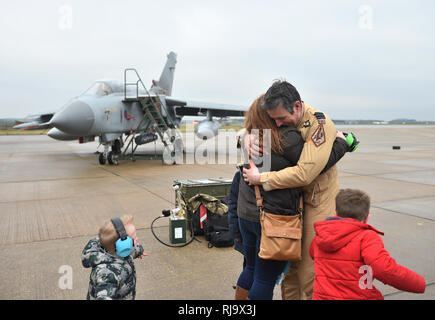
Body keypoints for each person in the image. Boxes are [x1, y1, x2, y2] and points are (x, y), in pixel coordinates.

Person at [236, 95, 350, 300]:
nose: (279, 122)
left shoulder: (254, 138)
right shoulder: (287, 139)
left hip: (247, 214)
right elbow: (312, 168)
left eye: (280, 117)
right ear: (267, 116)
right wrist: (342, 143)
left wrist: (244, 136)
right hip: (271, 219)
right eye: (275, 117)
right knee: (265, 279)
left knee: (252, 269)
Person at [309, 189, 426, 299]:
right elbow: (384, 269)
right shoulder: (367, 237)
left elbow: (313, 254)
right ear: (367, 218)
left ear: (335, 213)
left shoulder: (321, 235)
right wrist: (420, 284)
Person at [81, 215, 145, 300]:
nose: (137, 239)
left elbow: (132, 251)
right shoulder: (107, 274)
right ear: (123, 247)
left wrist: (139, 250)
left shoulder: (115, 251)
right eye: (134, 238)